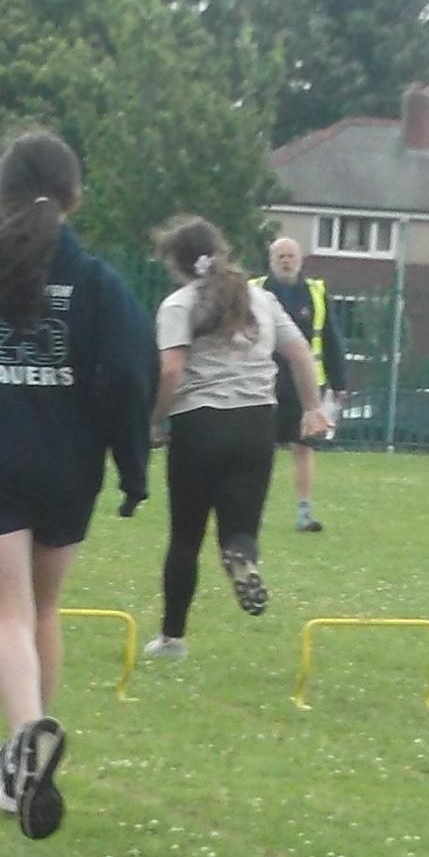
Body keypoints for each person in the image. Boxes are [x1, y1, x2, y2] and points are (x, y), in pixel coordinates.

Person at [0, 128, 152, 839]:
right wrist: (132, 468)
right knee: (42, 610)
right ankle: (26, 758)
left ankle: (24, 743)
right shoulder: (96, 283)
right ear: (75, 197)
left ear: (0, 191)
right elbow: (128, 377)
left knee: (1, 614)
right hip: (67, 466)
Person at [147, 219, 333, 655]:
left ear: (177, 263)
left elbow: (171, 370)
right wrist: (312, 407)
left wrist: (153, 419)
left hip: (199, 424)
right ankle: (241, 558)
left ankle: (172, 638)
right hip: (256, 424)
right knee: (240, 529)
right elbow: (300, 353)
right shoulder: (261, 299)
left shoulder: (179, 304)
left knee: (186, 537)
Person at [259, 234, 346, 529]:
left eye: (291, 256)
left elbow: (331, 338)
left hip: (305, 386)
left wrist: (339, 382)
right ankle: (255, 509)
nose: (286, 261)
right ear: (271, 261)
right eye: (280, 257)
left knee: (303, 447)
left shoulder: (316, 292)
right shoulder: (255, 290)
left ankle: (304, 513)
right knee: (261, 449)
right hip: (264, 382)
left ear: (300, 260)